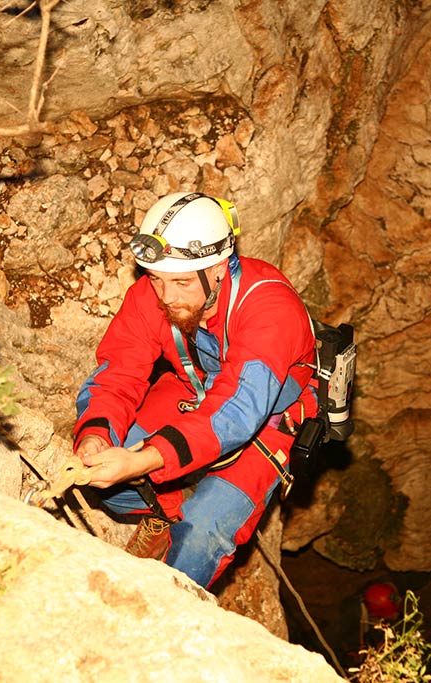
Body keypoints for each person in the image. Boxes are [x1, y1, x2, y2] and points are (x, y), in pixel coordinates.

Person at [73, 191, 318, 589]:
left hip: (269, 417)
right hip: (196, 386)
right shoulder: (153, 295)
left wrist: (148, 459)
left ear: (219, 268)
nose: (168, 297)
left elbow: (237, 412)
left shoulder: (272, 308)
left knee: (201, 533)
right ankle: (169, 511)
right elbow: (118, 371)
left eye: (182, 283)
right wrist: (96, 434)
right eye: (156, 279)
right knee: (114, 490)